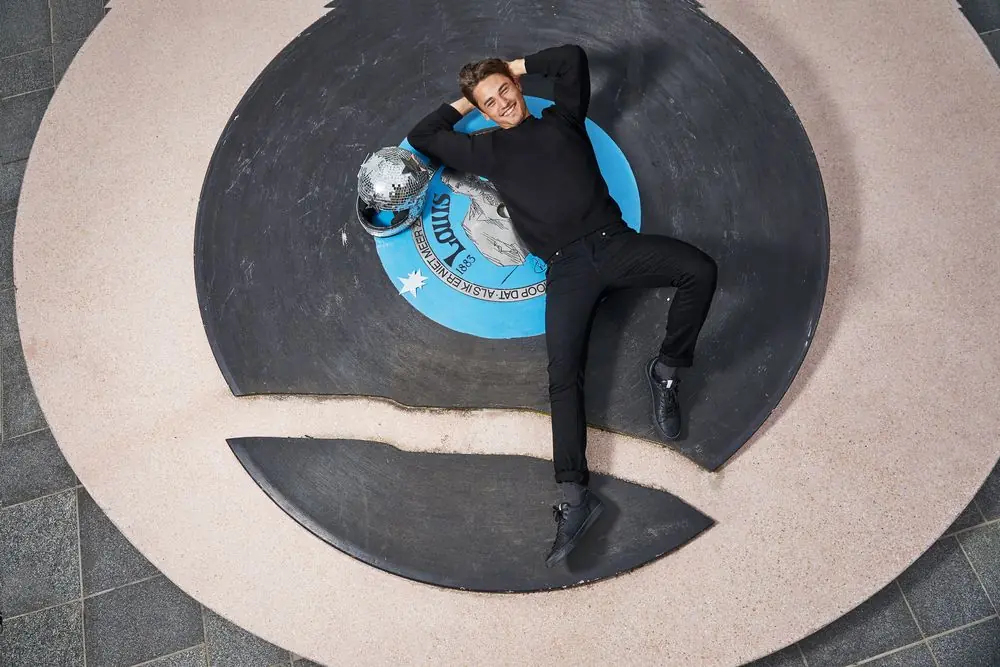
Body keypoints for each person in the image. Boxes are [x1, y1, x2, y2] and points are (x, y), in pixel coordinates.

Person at [407, 44, 717, 567]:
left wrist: (511, 66)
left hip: (614, 244)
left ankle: (666, 370)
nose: (502, 104)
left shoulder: (562, 118)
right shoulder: (485, 151)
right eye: (489, 103)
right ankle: (575, 497)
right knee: (562, 377)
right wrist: (469, 98)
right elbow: (423, 135)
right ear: (482, 113)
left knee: (700, 269)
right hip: (567, 271)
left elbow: (572, 59)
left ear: (518, 87)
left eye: (504, 91)